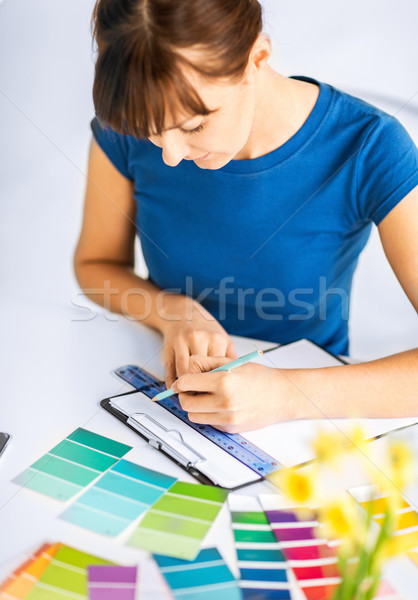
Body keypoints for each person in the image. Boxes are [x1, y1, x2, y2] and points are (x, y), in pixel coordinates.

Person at [74, 0, 418, 433]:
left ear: (257, 58)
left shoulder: (370, 147)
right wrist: (170, 312)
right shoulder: (129, 125)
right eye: (150, 132)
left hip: (308, 419)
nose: (170, 153)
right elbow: (96, 265)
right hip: (167, 396)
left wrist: (289, 395)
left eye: (194, 126)